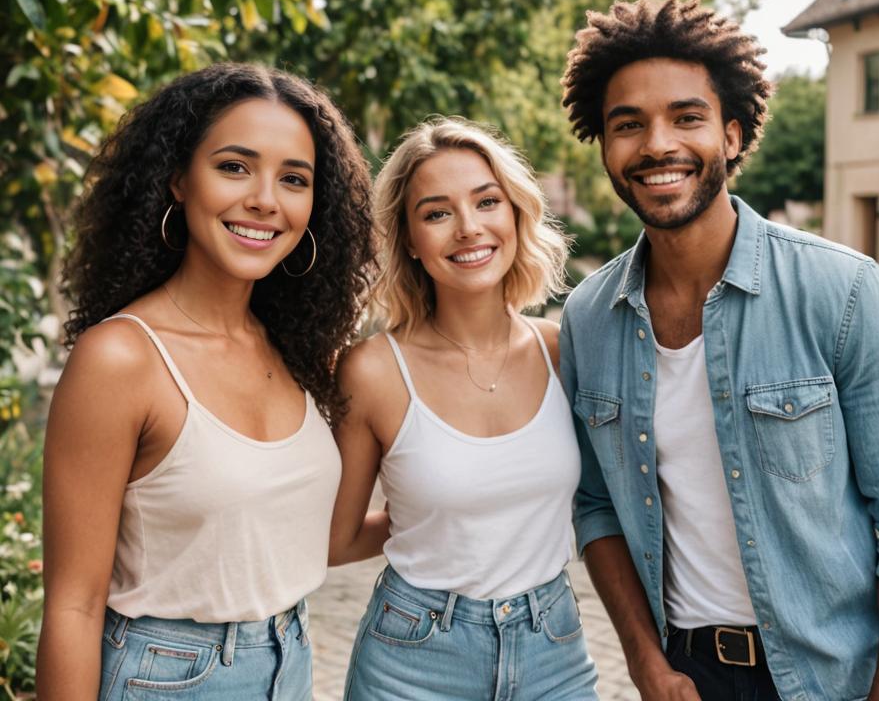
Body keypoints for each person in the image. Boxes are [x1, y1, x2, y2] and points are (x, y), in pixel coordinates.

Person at [558, 0, 879, 701]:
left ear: (734, 135)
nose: (658, 145)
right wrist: (646, 663)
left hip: (828, 679)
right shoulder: (590, 316)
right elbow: (595, 506)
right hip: (684, 675)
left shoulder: (842, 292)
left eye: (687, 117)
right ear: (603, 145)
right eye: (628, 125)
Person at [36, 62, 375, 699]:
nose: (265, 200)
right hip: (165, 676)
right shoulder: (121, 359)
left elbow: (287, 535)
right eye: (234, 166)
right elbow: (72, 608)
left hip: (292, 663)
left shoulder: (296, 349)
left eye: (293, 179)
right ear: (178, 181)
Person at [329, 116, 599, 700]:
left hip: (552, 646)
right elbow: (338, 538)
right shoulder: (373, 371)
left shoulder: (563, 350)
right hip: (415, 657)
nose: (469, 228)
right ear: (409, 240)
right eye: (437, 212)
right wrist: (432, 520)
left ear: (517, 214)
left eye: (487, 202)